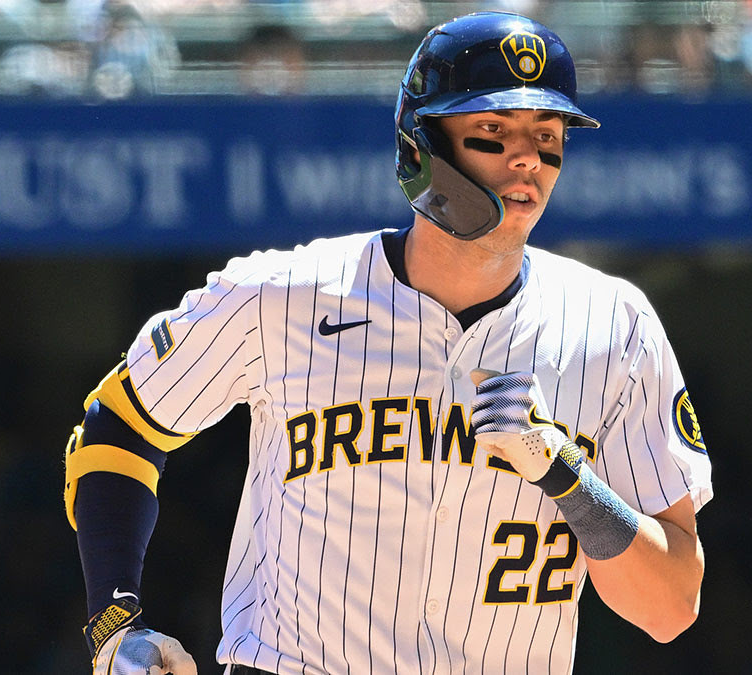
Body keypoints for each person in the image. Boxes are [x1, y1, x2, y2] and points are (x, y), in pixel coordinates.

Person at [64, 11, 713, 674]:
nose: (526, 157)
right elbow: (115, 426)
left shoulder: (616, 326)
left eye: (546, 134)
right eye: (492, 130)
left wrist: (565, 474)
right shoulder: (283, 293)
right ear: (420, 144)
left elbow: (670, 606)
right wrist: (115, 625)